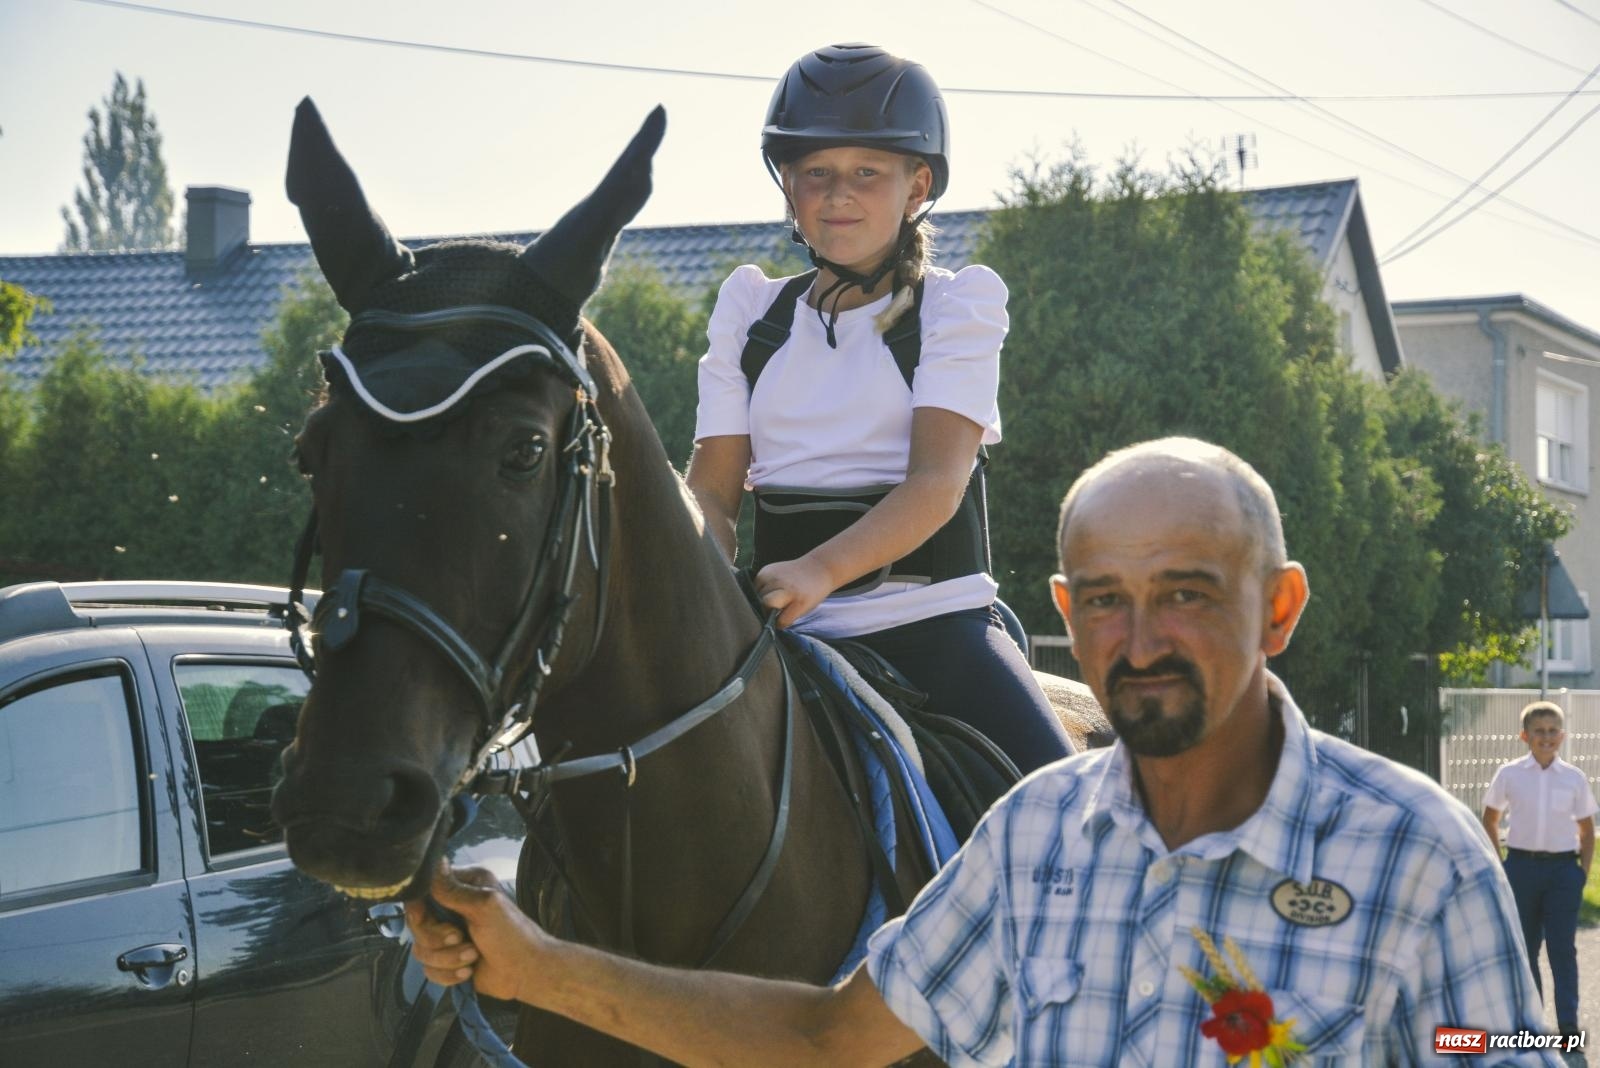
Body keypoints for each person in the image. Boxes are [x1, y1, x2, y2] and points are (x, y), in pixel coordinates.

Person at [409, 436, 1558, 1065]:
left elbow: (1506, 1043)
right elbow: (821, 1038)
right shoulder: (1031, 836)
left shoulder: (1420, 853)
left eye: (1188, 594)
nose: (1139, 640)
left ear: (1279, 609)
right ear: (1063, 604)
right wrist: (533, 966)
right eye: (1104, 599)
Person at [683, 43, 1073, 773]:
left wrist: (820, 572)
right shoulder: (749, 313)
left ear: (917, 184)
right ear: (788, 187)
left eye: (867, 172)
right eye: (816, 174)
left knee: (1059, 808)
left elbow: (935, 484)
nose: (839, 196)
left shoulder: (957, 308)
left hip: (933, 630)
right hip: (778, 632)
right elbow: (712, 492)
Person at [1482, 699, 1597, 1037]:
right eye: (1538, 732)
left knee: (1563, 950)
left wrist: (1581, 874)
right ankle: (1531, 1025)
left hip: (1563, 872)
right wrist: (1500, 864)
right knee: (1525, 948)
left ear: (1561, 736)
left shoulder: (1574, 778)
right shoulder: (1510, 774)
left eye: (1552, 731)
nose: (1546, 737)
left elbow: (1587, 830)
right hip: (1521, 868)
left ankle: (1569, 1027)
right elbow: (1489, 818)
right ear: (1524, 736)